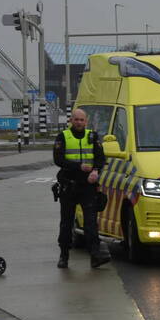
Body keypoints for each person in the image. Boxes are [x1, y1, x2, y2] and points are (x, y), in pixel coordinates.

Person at [53, 108, 110, 269]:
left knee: (91, 223)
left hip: (88, 187)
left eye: (81, 120)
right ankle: (64, 255)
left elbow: (101, 158)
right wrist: (79, 167)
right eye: (76, 119)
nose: (79, 122)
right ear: (71, 120)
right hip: (68, 186)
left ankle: (95, 255)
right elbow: (58, 159)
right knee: (66, 223)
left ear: (86, 121)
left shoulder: (92, 136)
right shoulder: (63, 136)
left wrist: (96, 171)